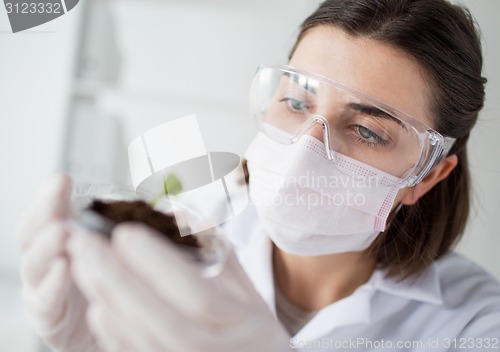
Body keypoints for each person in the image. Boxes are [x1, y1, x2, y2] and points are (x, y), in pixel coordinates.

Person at [18, 0, 500, 351]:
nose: (307, 149)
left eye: (367, 131)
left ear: (428, 176)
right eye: (295, 102)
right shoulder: (180, 231)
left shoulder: (477, 325)